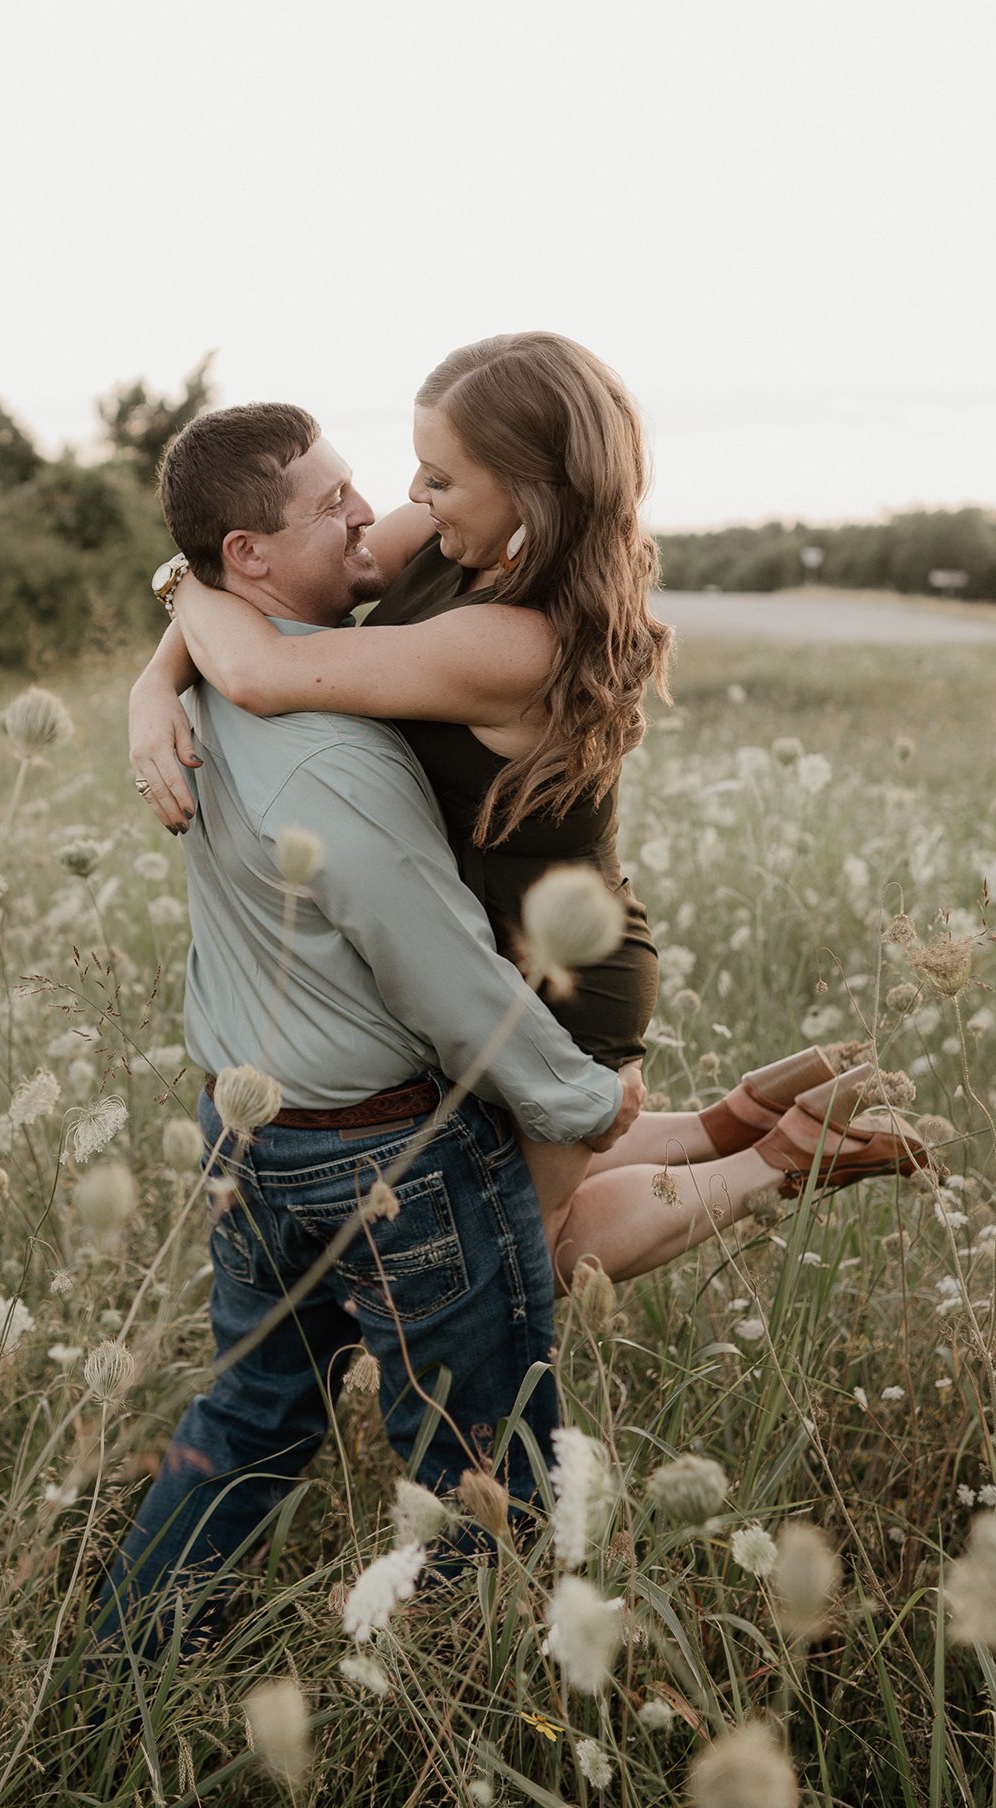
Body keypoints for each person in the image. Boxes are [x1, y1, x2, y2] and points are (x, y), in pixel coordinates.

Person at [130, 335, 936, 1288]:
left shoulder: (517, 641)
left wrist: (177, 589)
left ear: (524, 488)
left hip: (556, 971)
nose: (408, 500)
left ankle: (780, 1160)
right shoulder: (447, 538)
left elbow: (258, 666)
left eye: (439, 478)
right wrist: (156, 679)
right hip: (488, 947)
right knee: (510, 1179)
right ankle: (736, 1119)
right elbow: (256, 597)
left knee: (534, 1247)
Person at [96, 400, 645, 1662]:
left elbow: (215, 611)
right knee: (481, 1455)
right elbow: (441, 968)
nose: (375, 511)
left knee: (252, 1411)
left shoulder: (250, 679)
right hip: (389, 1154)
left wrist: (159, 656)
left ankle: (124, 1661)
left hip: (254, 1132)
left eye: (393, 482)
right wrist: (570, 1099)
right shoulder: (329, 755)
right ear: (250, 557)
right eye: (334, 499)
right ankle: (475, 1692)